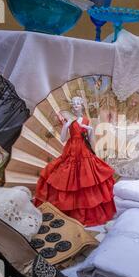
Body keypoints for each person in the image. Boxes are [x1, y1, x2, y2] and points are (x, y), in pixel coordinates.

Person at [34, 97, 116, 227]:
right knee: (68, 177)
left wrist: (89, 129)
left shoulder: (86, 120)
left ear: (82, 106)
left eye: (79, 104)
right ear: (72, 106)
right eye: (74, 104)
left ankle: (85, 212)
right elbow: (62, 139)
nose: (77, 106)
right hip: (71, 150)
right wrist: (66, 125)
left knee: (86, 178)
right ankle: (68, 210)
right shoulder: (69, 121)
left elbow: (90, 139)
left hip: (84, 151)